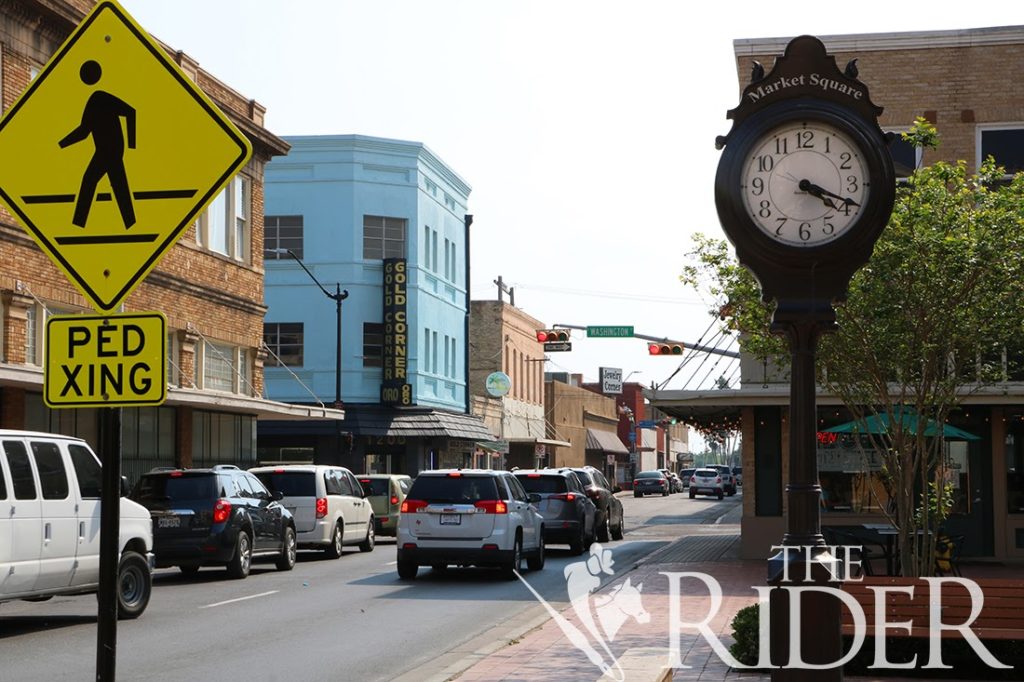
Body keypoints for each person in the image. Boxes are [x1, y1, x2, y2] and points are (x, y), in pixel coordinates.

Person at [59, 60, 136, 229]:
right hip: (103, 150)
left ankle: (78, 224)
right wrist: (60, 145)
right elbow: (84, 131)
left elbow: (131, 112)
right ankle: (130, 224)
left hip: (111, 151)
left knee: (90, 181)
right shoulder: (92, 102)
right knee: (118, 187)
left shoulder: (100, 97)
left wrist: (132, 145)